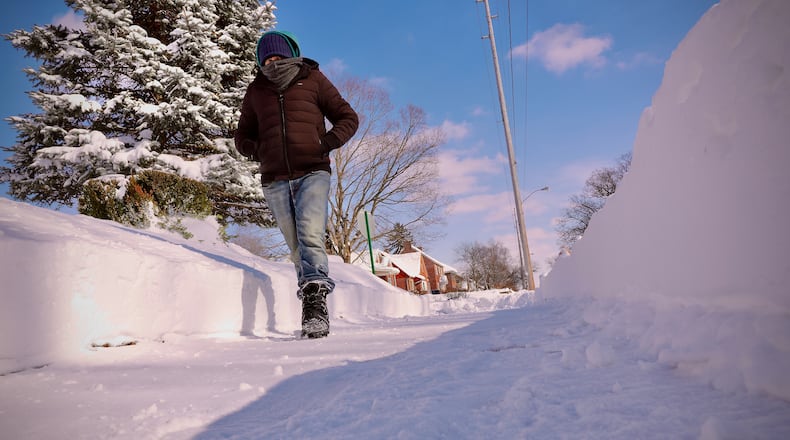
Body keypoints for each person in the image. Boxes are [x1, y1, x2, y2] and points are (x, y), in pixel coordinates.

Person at [234, 31, 358, 338]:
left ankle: (315, 304)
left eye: (279, 57)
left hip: (313, 171)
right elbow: (242, 136)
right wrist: (257, 149)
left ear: (292, 55)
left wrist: (326, 143)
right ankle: (310, 292)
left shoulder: (313, 79)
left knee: (311, 234)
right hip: (275, 179)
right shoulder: (256, 91)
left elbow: (348, 117)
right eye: (267, 60)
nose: (273, 63)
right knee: (296, 245)